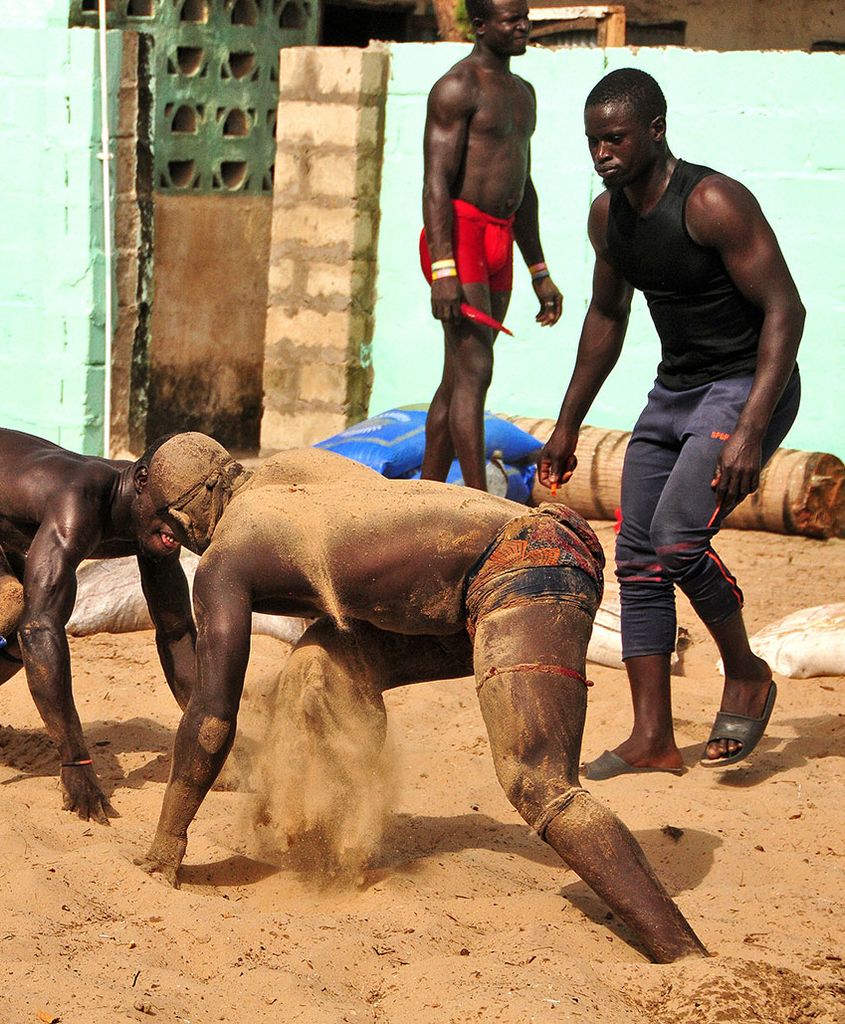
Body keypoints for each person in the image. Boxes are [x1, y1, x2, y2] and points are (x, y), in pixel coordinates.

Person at [134, 432, 707, 963]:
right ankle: (339, 837)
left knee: (538, 782)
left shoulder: (227, 556)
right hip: (520, 553)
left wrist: (168, 838)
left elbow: (212, 716)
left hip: (523, 566)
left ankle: (685, 957)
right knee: (321, 665)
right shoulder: (299, 469)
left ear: (185, 515)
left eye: (172, 526)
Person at [538, 69, 804, 779]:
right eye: (593, 141)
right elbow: (605, 317)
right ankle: (652, 736)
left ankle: (744, 671)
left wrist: (750, 430)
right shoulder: (608, 217)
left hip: (746, 387)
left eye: (615, 138)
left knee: (679, 540)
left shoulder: (712, 202)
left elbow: (786, 311)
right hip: (675, 392)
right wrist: (568, 425)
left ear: (655, 130)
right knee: (636, 556)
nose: (602, 153)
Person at [0, 428, 216, 821]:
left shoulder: (153, 522)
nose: (178, 527)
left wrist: (210, 734)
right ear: (142, 480)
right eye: (170, 512)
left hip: (11, 526)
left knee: (20, 628)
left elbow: (178, 632)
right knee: (17, 611)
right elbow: (41, 628)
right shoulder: (77, 502)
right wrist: (75, 761)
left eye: (187, 516)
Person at [419, 0, 563, 491]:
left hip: (501, 237)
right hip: (460, 236)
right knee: (477, 366)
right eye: (511, 20)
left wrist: (539, 270)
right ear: (481, 27)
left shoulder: (524, 93)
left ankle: (425, 493)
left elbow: (524, 186)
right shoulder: (458, 87)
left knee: (458, 376)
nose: (523, 26)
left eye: (526, 17)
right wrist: (443, 269)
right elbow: (435, 182)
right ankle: (478, 500)